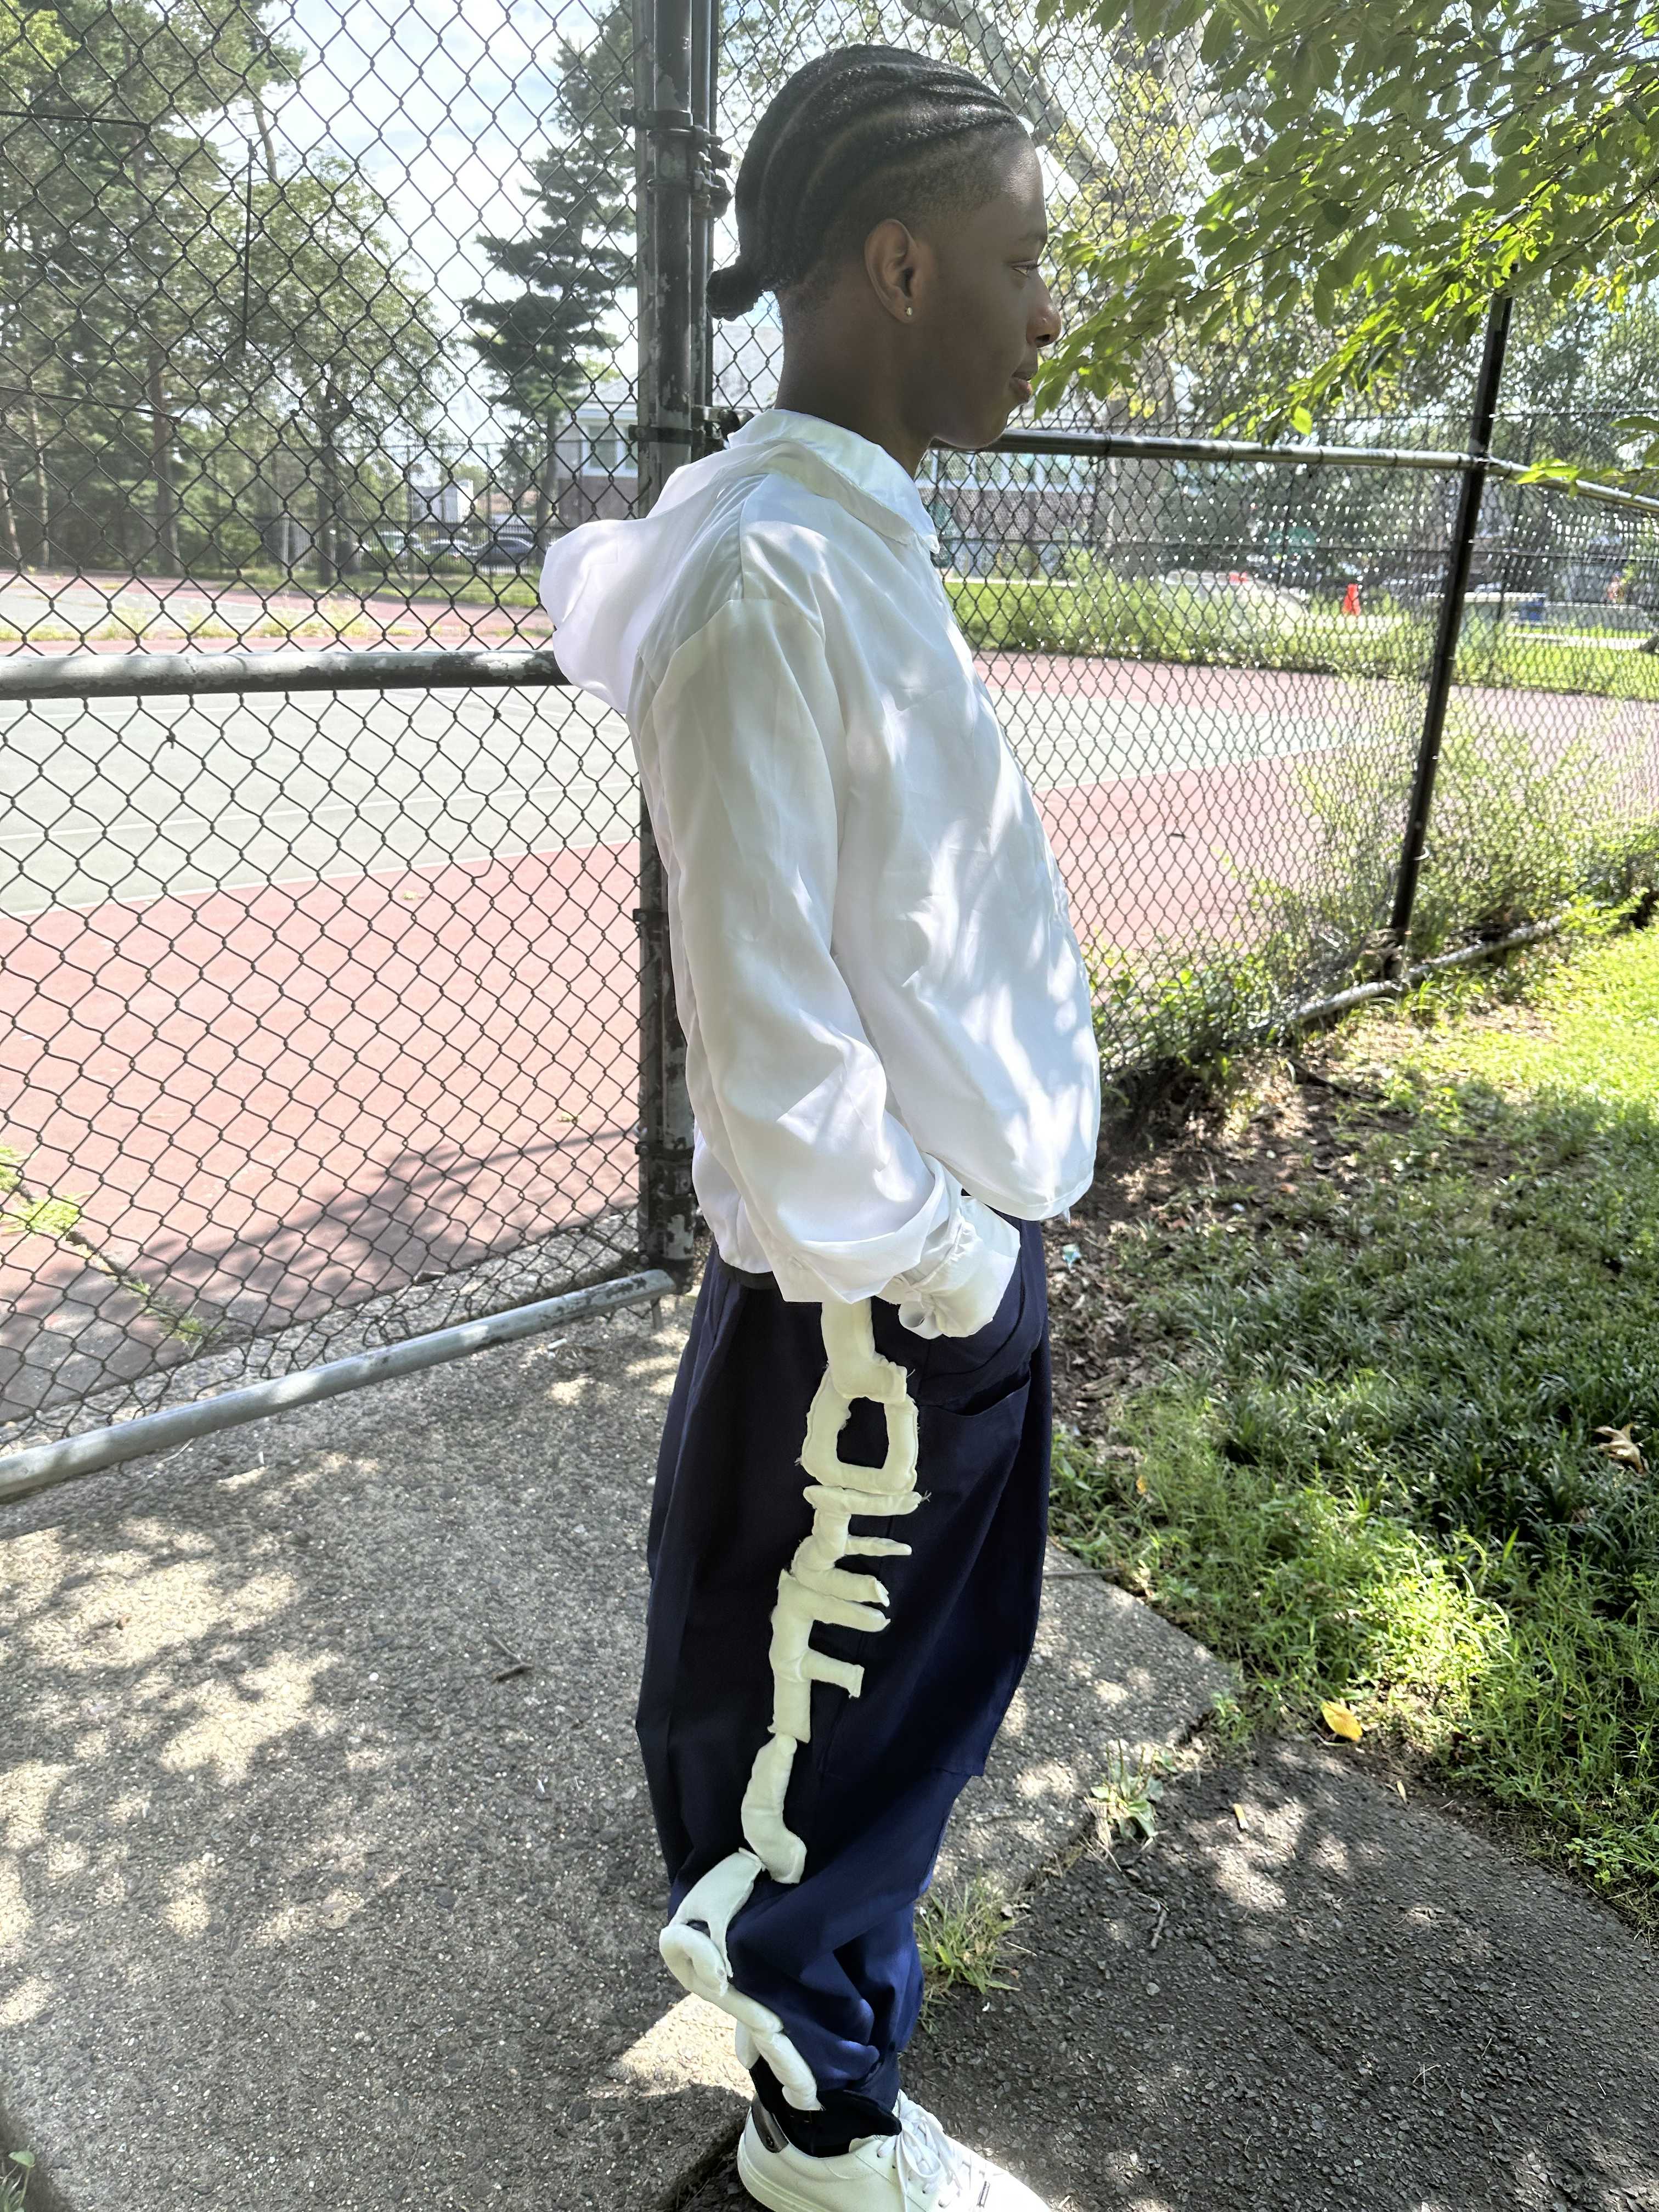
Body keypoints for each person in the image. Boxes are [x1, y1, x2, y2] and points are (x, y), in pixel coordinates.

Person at [539, 44, 1099, 2211]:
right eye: (1021, 262)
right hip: (885, 1300)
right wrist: (951, 1264)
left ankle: (828, 2069)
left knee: (910, 1695)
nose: (1048, 311)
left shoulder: (830, 535)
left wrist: (986, 1243)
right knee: (819, 1752)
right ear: (899, 266)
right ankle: (823, 2140)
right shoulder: (777, 576)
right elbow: (766, 1056)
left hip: (935, 1270)